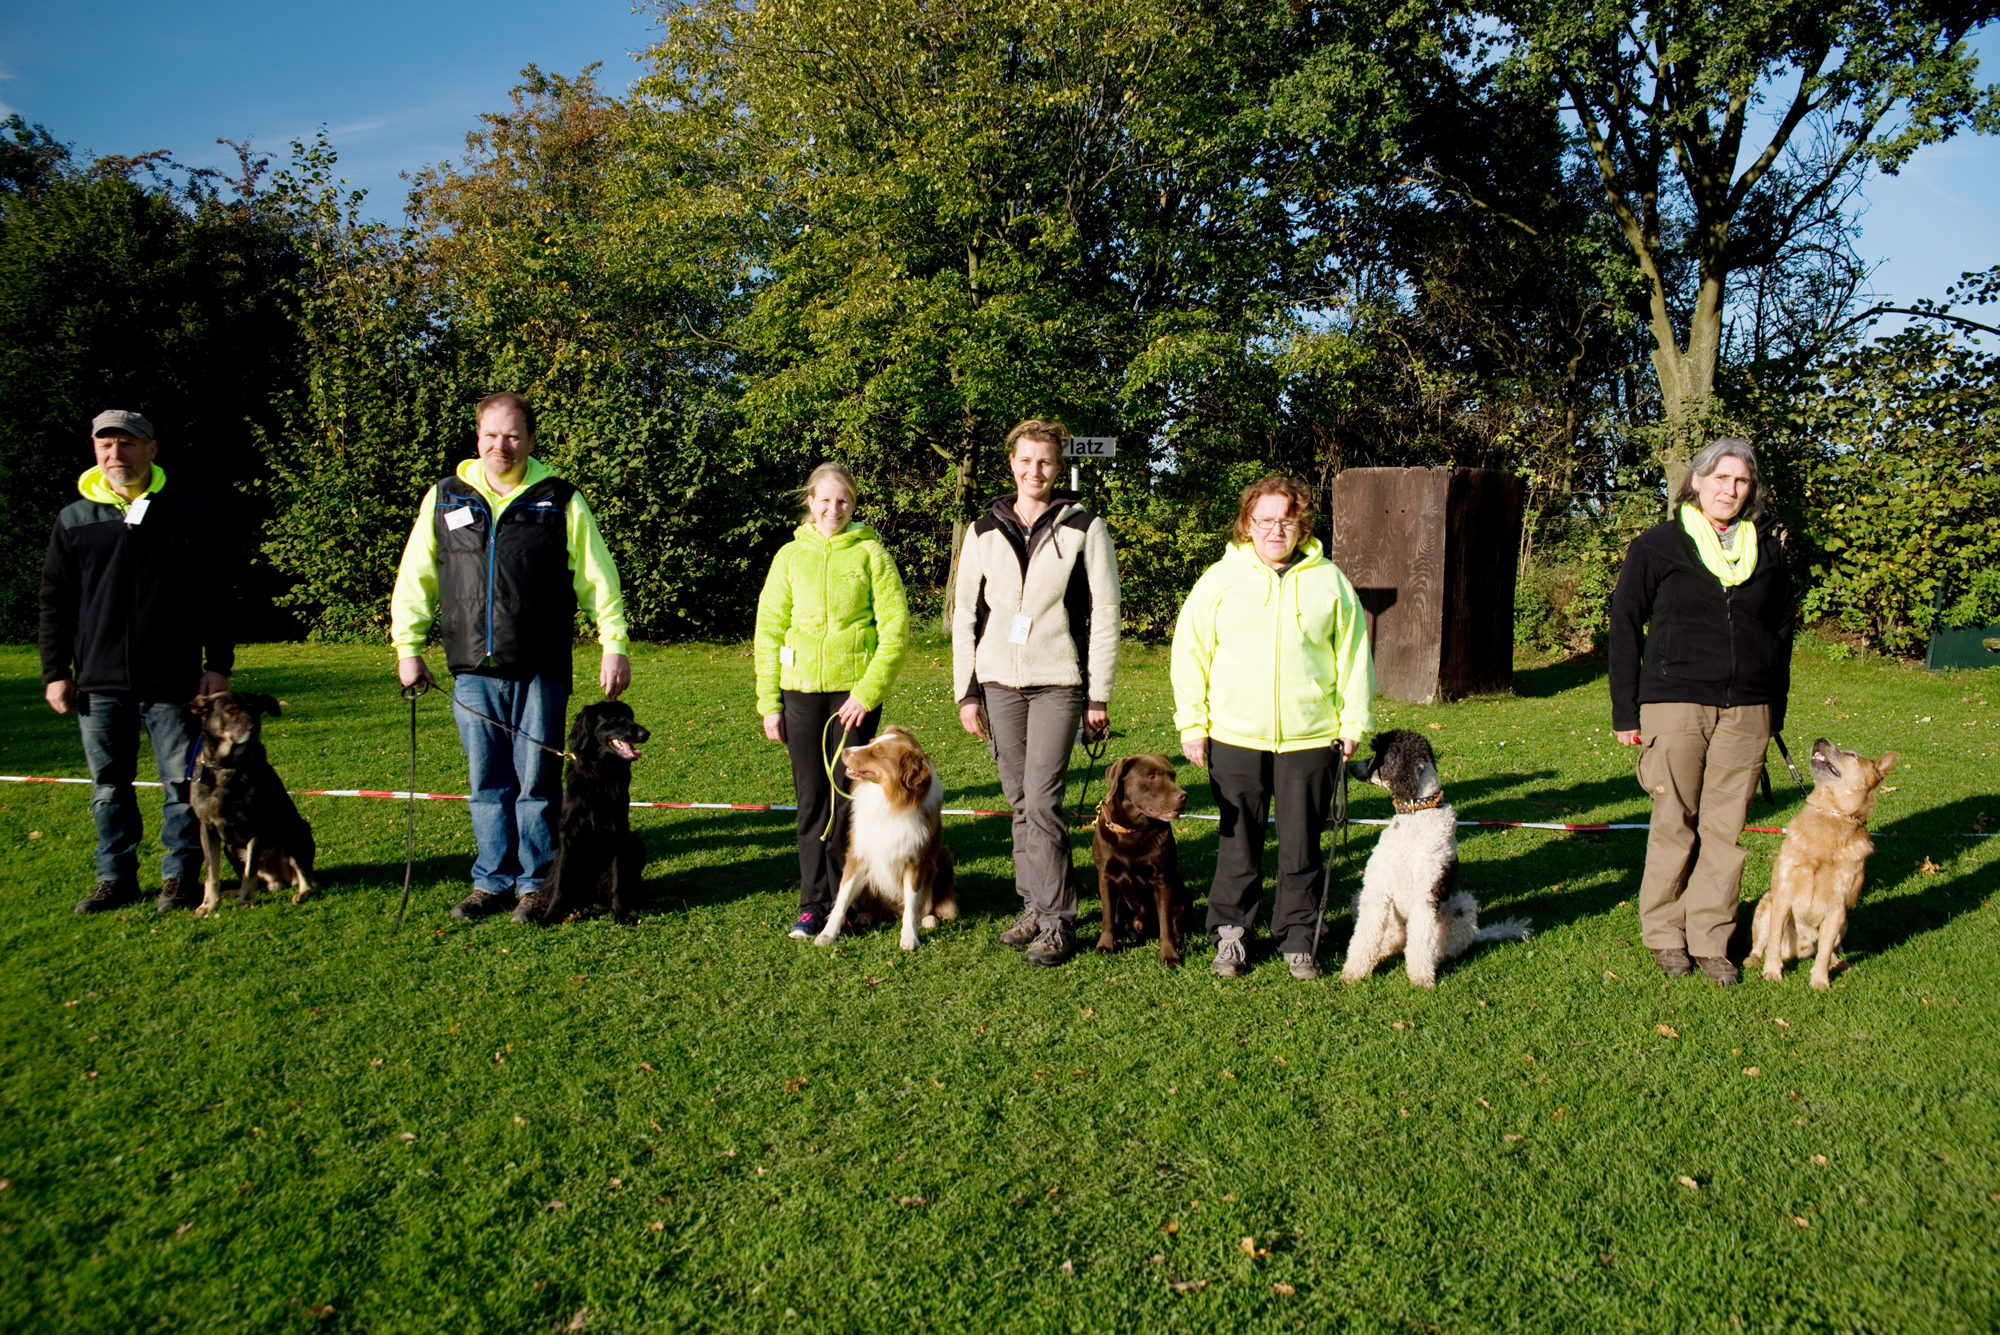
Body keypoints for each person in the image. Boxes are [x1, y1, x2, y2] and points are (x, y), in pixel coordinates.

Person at [390, 392, 631, 922]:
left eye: (513, 436)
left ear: (530, 439)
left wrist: (613, 642)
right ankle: (491, 882)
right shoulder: (446, 497)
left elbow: (597, 576)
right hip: (472, 669)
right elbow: (417, 576)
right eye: (492, 435)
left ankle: (537, 884)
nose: (502, 445)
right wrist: (408, 647)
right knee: (486, 783)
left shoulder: (559, 498)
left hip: (540, 667)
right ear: (478, 438)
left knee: (537, 784)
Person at [1170, 474, 1373, 980]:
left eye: (1285, 519)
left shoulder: (1331, 581)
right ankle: (1231, 934)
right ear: (1248, 524)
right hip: (1234, 735)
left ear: (1301, 523)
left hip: (1311, 736)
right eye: (1264, 520)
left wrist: (1353, 722)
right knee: (1238, 843)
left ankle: (1299, 937)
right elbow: (1189, 653)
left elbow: (1353, 658)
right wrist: (1192, 725)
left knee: (1302, 844)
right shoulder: (1219, 579)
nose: (1274, 529)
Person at [1609, 438, 1793, 985]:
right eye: (1719, 478)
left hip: (1748, 709)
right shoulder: (1658, 546)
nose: (1728, 489)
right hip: (1674, 701)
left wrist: (1773, 709)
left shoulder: (1769, 552)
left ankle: (1711, 938)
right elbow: (1624, 625)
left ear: (1750, 490)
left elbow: (1781, 633)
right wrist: (1626, 710)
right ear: (1696, 482)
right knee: (1674, 822)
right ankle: (1665, 935)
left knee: (1726, 830)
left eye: (1740, 481)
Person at [39, 410, 234, 914]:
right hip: (98, 683)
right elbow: (55, 602)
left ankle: (179, 877)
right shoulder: (74, 520)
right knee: (108, 788)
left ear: (151, 449)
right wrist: (55, 672)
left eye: (125, 445)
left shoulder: (186, 514)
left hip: (173, 679)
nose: (114, 456)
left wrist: (219, 663)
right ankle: (115, 876)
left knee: (180, 784)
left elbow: (213, 596)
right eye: (105, 447)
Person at [953, 419, 1120, 967]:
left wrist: (1098, 696)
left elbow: (1104, 616)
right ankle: (1032, 904)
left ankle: (1058, 921)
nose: (1035, 471)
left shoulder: (1086, 528)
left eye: (1045, 461)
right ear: (1012, 464)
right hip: (998, 680)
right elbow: (966, 617)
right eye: (1026, 461)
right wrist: (967, 691)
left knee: (1044, 802)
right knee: (1020, 802)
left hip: (1059, 681)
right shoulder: (983, 530)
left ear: (1057, 465)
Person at [754, 461, 912, 940]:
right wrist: (770, 701)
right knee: (811, 804)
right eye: (824, 500)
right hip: (799, 693)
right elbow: (768, 628)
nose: (833, 509)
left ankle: (845, 905)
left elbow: (896, 630)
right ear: (810, 502)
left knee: (848, 803)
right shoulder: (788, 557)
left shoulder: (871, 555)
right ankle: (812, 904)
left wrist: (865, 694)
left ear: (854, 504)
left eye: (842, 501)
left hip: (852, 699)